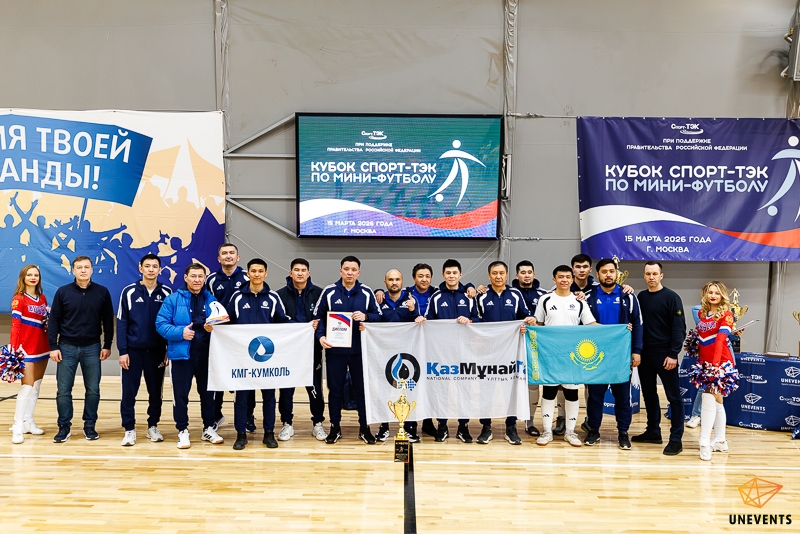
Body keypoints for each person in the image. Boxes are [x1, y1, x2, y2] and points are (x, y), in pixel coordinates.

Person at [314, 256, 383, 444]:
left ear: (358, 272)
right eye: (346, 269)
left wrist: (366, 317)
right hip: (335, 350)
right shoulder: (329, 291)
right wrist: (321, 336)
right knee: (335, 390)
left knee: (361, 390)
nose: (350, 272)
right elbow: (318, 318)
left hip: (360, 351)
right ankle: (335, 427)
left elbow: (379, 316)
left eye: (353, 270)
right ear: (341, 271)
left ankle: (365, 428)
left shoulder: (366, 292)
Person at [156, 263, 224, 449]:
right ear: (185, 278)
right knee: (180, 395)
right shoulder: (172, 300)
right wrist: (180, 332)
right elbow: (160, 324)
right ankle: (182, 430)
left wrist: (214, 328)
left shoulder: (212, 300)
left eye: (200, 276)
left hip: (206, 356)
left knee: (208, 395)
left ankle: (209, 428)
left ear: (205, 278)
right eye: (193, 276)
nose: (197, 280)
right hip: (182, 356)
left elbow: (222, 324)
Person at [228, 259, 294, 450]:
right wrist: (214, 327)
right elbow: (227, 322)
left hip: (267, 357)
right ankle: (241, 434)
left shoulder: (273, 298)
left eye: (260, 271)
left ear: (266, 274)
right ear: (248, 273)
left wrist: (305, 327)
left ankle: (269, 433)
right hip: (243, 356)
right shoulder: (237, 297)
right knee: (241, 398)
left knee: (269, 397)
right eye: (253, 271)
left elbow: (283, 321)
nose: (257, 274)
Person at [49, 256, 115, 443]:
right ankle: (64, 427)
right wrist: (53, 346)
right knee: (63, 390)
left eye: (87, 267)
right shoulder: (63, 292)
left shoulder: (102, 292)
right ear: (73, 270)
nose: (83, 270)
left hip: (92, 348)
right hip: (66, 347)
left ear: (92, 269)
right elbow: (54, 320)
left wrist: (107, 344)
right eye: (79, 267)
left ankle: (89, 426)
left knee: (93, 389)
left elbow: (107, 321)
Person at [532, 265, 597, 447]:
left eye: (568, 277)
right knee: (549, 392)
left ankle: (570, 432)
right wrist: (529, 324)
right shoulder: (545, 299)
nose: (565, 280)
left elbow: (591, 325)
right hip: (550, 355)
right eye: (561, 277)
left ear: (572, 279)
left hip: (572, 356)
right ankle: (547, 431)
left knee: (571, 392)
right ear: (554, 280)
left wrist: (619, 329)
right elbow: (538, 325)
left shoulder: (579, 302)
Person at [583, 259, 642, 450]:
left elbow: (638, 324)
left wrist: (636, 351)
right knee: (595, 397)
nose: (608, 275)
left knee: (622, 397)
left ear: (617, 273)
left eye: (611, 271)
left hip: (621, 356)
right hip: (595, 356)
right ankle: (593, 430)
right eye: (604, 271)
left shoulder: (628, 296)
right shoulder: (588, 297)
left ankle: (623, 433)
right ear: (597, 274)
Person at [475, 261, 535, 445]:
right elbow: (476, 320)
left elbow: (525, 316)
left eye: (501, 273)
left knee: (511, 389)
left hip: (511, 351)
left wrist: (526, 323)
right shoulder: (481, 296)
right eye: (494, 273)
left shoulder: (515, 294)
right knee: (486, 390)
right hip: (487, 352)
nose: (498, 276)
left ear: (507, 275)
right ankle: (486, 427)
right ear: (489, 275)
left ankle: (511, 427)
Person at [116, 253, 172, 447]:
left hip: (157, 352)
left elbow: (171, 322)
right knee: (129, 392)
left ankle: (152, 426)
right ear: (140, 268)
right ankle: (129, 429)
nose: (151, 269)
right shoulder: (129, 292)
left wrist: (168, 348)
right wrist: (123, 351)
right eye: (147, 266)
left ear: (160, 270)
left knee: (155, 392)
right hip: (132, 352)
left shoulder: (167, 292)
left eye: (154, 266)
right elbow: (121, 323)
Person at [423, 259, 481, 443]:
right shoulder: (436, 297)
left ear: (460, 275)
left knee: (464, 390)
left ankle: (463, 427)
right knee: (442, 390)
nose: (451, 276)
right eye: (448, 273)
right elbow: (428, 321)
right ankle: (442, 426)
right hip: (442, 353)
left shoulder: (469, 297)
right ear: (443, 275)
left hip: (465, 351)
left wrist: (469, 321)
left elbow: (479, 319)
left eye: (454, 273)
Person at [633, 261, 686, 455]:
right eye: (648, 274)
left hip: (665, 355)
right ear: (644, 275)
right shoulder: (641, 297)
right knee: (648, 394)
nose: (651, 277)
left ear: (661, 275)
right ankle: (653, 431)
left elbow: (679, 328)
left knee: (673, 397)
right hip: (645, 355)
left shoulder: (672, 297)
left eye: (655, 273)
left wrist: (673, 354)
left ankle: (676, 439)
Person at [275, 258, 327, 442]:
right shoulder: (279, 295)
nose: (300, 273)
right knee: (286, 388)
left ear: (308, 273)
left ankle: (318, 423)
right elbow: (277, 320)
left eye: (303, 270)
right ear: (291, 273)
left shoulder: (319, 294)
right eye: (296, 270)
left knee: (315, 388)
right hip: (288, 350)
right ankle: (287, 423)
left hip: (312, 350)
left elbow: (324, 318)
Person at [690, 281, 739, 461]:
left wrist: (715, 366)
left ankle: (704, 441)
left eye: (717, 293)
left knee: (707, 396)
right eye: (710, 292)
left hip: (721, 363)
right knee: (718, 401)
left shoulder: (727, 315)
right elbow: (702, 339)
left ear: (722, 296)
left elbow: (719, 341)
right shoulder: (702, 313)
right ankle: (720, 440)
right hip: (705, 363)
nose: (713, 296)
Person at [206, 243, 251, 431]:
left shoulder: (248, 277)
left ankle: (248, 417)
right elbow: (206, 304)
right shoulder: (211, 279)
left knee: (246, 377)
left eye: (232, 253)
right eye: (224, 253)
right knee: (218, 375)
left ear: (238, 257)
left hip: (242, 336)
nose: (228, 256)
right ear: (219, 259)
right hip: (218, 336)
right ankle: (216, 415)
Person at [375, 269, 421, 443]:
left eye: (397, 279)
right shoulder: (378, 300)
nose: (394, 282)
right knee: (384, 389)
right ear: (385, 282)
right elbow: (373, 319)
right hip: (384, 352)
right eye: (390, 279)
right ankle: (384, 426)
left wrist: (413, 311)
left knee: (408, 389)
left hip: (407, 353)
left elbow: (418, 320)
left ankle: (410, 427)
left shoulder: (411, 299)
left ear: (402, 281)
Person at [9, 265, 50, 444]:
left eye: (36, 275)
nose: (33, 277)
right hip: (25, 349)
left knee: (36, 386)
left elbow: (45, 322)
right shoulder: (19, 299)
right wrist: (13, 348)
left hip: (42, 346)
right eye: (29, 275)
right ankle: (17, 426)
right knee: (27, 386)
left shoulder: (42, 298)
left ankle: (28, 421)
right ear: (23, 277)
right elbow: (15, 325)